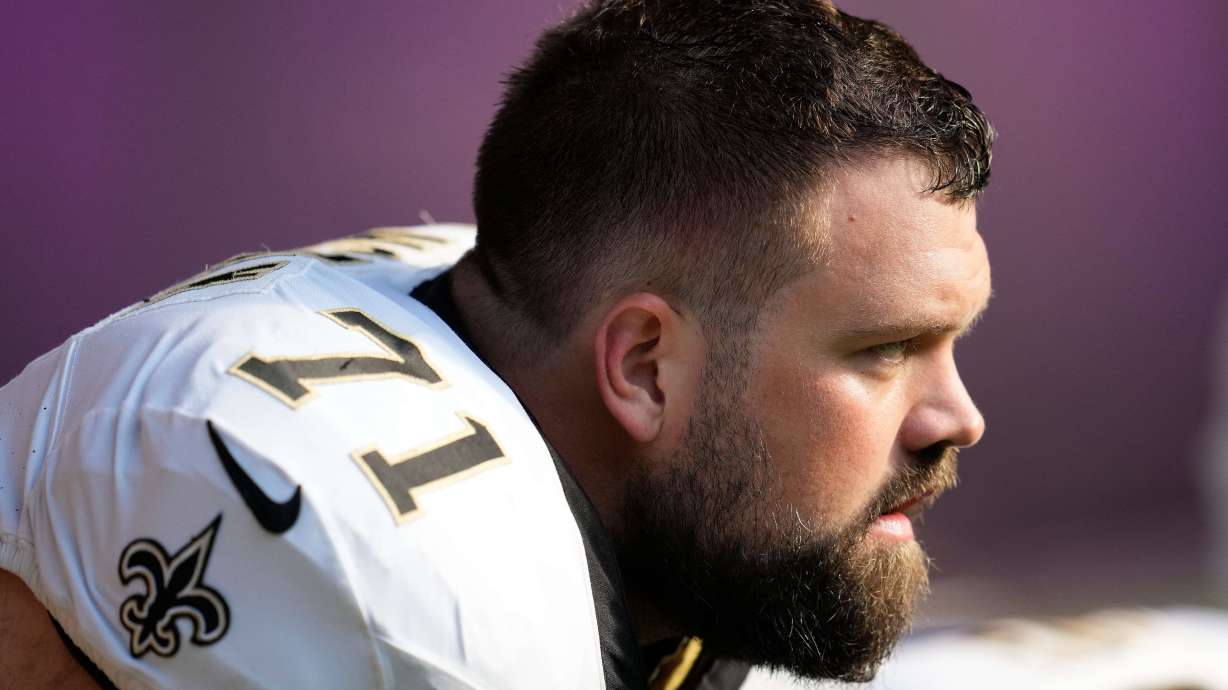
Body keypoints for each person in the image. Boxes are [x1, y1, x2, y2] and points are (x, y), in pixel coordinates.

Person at [0, 0, 994, 688]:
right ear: (642, 366)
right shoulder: (396, 588)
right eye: (883, 349)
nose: (959, 418)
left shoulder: (537, 328)